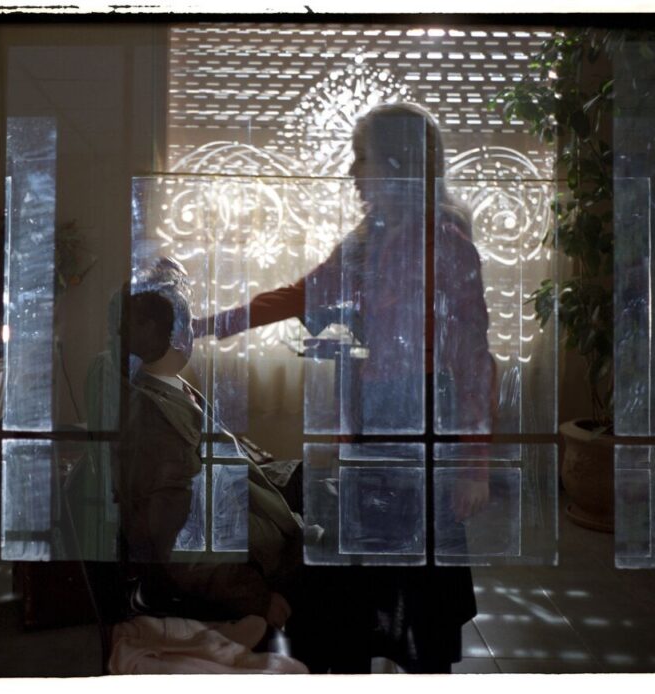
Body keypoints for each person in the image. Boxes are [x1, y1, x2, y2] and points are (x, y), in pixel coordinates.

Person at [195, 102, 495, 673]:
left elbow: (475, 360)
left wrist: (475, 466)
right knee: (362, 588)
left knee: (421, 593)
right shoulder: (366, 240)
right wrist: (212, 324)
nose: (354, 173)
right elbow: (300, 294)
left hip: (426, 425)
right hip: (375, 424)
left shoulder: (447, 244)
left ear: (399, 164)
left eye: (364, 159)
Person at [112, 261, 303, 630]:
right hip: (248, 568)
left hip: (254, 535)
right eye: (185, 316)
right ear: (151, 328)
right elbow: (180, 541)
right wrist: (256, 599)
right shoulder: (152, 416)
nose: (192, 329)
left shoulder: (168, 386)